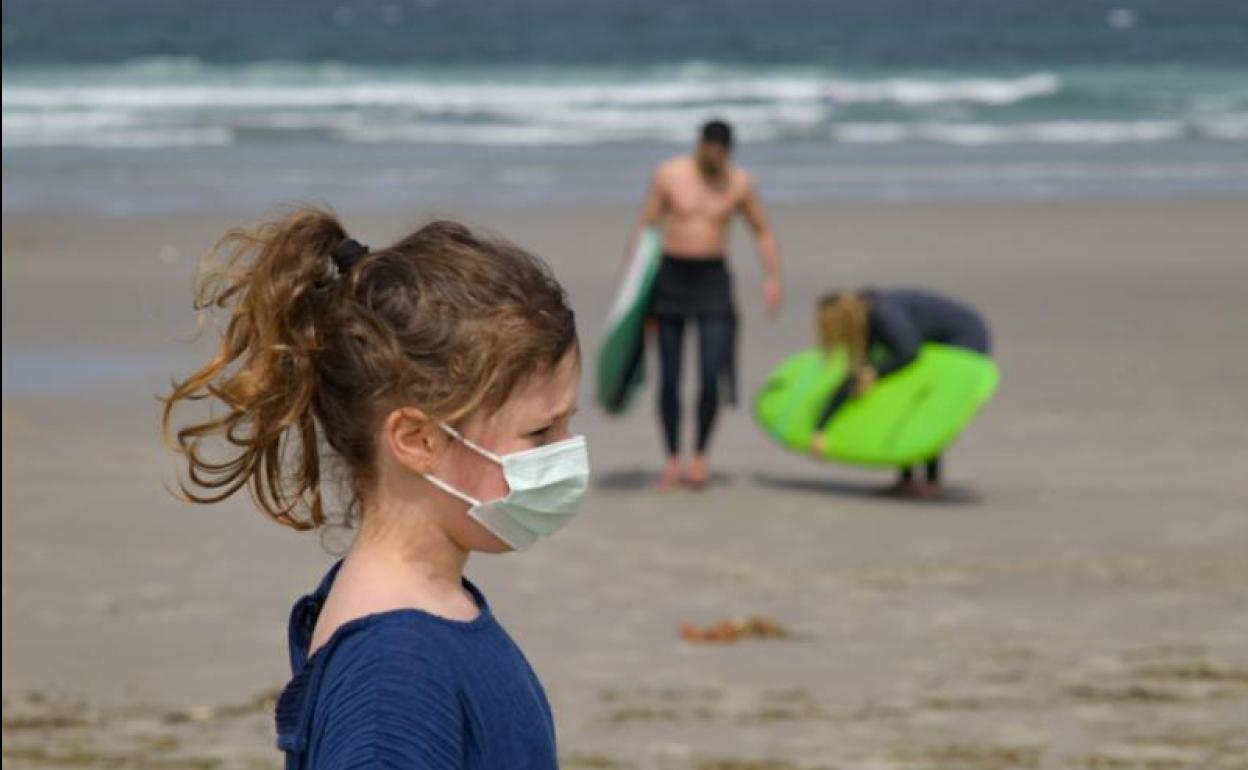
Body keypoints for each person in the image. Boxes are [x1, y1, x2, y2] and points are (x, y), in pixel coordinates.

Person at [162, 209, 586, 769]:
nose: (566, 451)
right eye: (540, 432)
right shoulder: (395, 681)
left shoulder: (434, 610)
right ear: (417, 439)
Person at [629, 118, 783, 491]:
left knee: (713, 373)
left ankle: (699, 459)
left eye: (721, 151)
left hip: (713, 281)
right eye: (709, 148)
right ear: (699, 144)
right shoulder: (669, 174)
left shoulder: (740, 183)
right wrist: (633, 293)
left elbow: (762, 231)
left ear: (728, 151)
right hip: (670, 278)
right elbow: (646, 227)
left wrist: (772, 279)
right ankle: (671, 461)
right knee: (670, 378)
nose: (714, 156)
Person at [811, 288, 992, 498]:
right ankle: (906, 478)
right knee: (899, 397)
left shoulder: (883, 315)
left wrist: (875, 372)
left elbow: (909, 353)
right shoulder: (865, 320)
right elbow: (854, 376)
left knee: (923, 407)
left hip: (965, 339)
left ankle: (932, 481)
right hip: (929, 341)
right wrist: (821, 428)